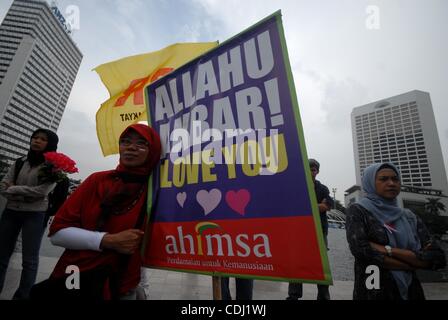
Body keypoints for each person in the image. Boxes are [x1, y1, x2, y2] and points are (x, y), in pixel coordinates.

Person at [45, 123, 161, 300]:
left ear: (153, 150)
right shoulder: (97, 181)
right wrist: (108, 240)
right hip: (75, 275)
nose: (131, 147)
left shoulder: (157, 190)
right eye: (125, 141)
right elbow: (57, 234)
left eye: (142, 143)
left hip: (123, 283)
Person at [346, 162, 446, 300]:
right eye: (383, 179)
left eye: (395, 179)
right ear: (370, 183)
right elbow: (363, 252)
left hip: (411, 288)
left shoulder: (409, 217)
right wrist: (413, 263)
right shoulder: (358, 211)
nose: (391, 183)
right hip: (374, 286)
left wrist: (387, 250)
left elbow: (437, 258)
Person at [0, 128, 59, 299]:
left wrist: (15, 189)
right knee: (1, 256)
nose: (37, 141)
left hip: (35, 214)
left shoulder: (52, 167)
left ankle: (23, 296)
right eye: (35, 137)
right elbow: (3, 186)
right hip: (10, 212)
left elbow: (42, 192)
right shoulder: (20, 162)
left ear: (51, 144)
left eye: (42, 139)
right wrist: (21, 192)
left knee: (29, 260)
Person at [286, 158, 333, 300]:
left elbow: (327, 206)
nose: (311, 172)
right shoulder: (297, 186)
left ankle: (323, 296)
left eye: (314, 169)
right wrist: (317, 206)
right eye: (309, 169)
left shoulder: (323, 188)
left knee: (321, 263)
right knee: (297, 262)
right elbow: (294, 205)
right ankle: (293, 295)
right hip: (300, 231)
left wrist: (307, 206)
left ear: (317, 171)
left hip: (320, 231)